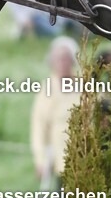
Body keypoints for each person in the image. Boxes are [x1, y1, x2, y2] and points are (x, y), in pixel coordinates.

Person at [30, 37, 81, 186]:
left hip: (89, 153)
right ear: (52, 62)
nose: (63, 63)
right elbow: (39, 127)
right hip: (63, 160)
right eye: (59, 59)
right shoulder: (47, 90)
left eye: (66, 58)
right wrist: (41, 160)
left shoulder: (84, 84)